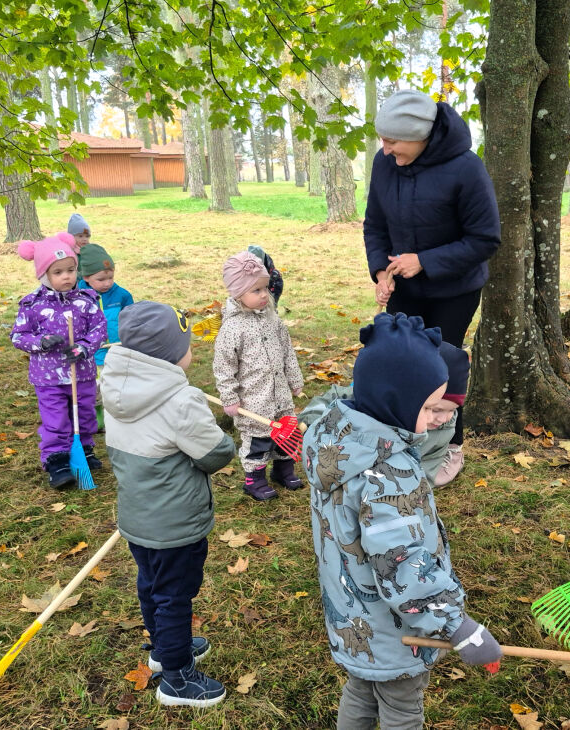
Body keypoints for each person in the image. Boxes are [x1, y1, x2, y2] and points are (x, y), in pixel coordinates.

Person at [304, 313, 501, 730]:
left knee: (361, 688)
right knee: (402, 708)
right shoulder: (387, 472)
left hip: (351, 611)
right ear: (396, 399)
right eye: (429, 407)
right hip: (393, 626)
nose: (436, 419)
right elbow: (403, 561)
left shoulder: (336, 437)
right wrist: (458, 627)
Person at [101, 301, 235, 708]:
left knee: (152, 584)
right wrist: (223, 433)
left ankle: (163, 648)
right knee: (176, 595)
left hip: (138, 517)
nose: (192, 352)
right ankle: (177, 678)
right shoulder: (181, 399)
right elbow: (215, 454)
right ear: (170, 354)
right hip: (175, 523)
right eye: (188, 345)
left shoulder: (115, 386)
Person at [364, 89, 501, 486]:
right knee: (401, 362)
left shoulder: (466, 168)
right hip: (404, 289)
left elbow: (485, 238)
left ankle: (449, 447)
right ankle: (405, 440)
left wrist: (424, 261)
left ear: (420, 136)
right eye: (382, 140)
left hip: (453, 290)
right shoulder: (384, 163)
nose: (385, 150)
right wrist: (381, 271)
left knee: (443, 366)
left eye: (392, 141)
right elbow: (374, 224)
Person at [298, 342, 470, 486]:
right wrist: (310, 423)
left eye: (452, 409)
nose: (442, 418)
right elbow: (335, 396)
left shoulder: (445, 426)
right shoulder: (376, 403)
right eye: (435, 409)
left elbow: (428, 467)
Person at [10, 234, 107, 489]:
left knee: (84, 413)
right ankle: (57, 460)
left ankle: (84, 449)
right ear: (44, 275)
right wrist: (41, 342)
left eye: (71, 270)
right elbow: (18, 336)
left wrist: (85, 348)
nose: (67, 276)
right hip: (48, 378)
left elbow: (99, 328)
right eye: (58, 272)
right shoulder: (32, 304)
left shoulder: (86, 300)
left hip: (82, 374)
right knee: (56, 419)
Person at [212, 251, 305, 501]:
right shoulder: (232, 328)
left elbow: (287, 351)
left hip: (280, 395)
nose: (265, 295)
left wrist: (295, 380)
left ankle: (283, 470)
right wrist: (229, 397)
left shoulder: (273, 321)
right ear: (237, 293)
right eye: (256, 291)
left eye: (266, 288)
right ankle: (255, 480)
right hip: (255, 399)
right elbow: (224, 366)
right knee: (259, 441)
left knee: (286, 432)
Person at [78, 243, 134, 430]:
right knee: (94, 389)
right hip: (92, 353)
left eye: (110, 277)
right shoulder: (78, 296)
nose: (107, 283)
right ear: (86, 277)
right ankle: (97, 416)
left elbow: (131, 319)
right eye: (101, 279)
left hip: (117, 349)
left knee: (116, 385)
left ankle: (116, 417)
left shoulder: (122, 295)